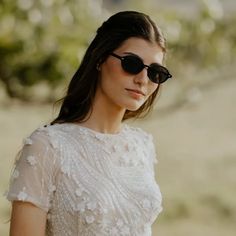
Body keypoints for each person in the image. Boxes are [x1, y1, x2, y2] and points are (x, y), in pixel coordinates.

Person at [6, 11, 172, 236]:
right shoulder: (47, 147)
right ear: (100, 59)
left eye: (155, 72)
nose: (143, 79)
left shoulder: (141, 145)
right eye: (132, 63)